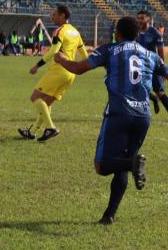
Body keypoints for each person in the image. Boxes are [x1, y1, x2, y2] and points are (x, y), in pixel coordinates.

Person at [54, 16, 161, 224]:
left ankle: (133, 163)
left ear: (117, 33)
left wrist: (60, 59)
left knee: (102, 166)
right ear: (138, 35)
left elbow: (78, 68)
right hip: (143, 117)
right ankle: (109, 215)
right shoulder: (150, 55)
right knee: (121, 164)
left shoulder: (109, 49)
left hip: (119, 114)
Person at [18, 5, 87, 142]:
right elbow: (85, 55)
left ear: (62, 16)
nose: (52, 17)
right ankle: (32, 132)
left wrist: (37, 66)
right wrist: (79, 68)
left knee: (35, 97)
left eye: (54, 14)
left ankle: (50, 127)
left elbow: (54, 51)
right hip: (70, 73)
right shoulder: (75, 32)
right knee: (47, 103)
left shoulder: (59, 31)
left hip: (58, 70)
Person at [136, 10, 168, 113]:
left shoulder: (155, 33)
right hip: (139, 65)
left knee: (159, 91)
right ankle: (153, 99)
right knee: (135, 86)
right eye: (138, 18)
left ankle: (156, 98)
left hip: (153, 65)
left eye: (142, 18)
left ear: (148, 19)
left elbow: (161, 53)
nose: (139, 20)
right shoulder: (135, 32)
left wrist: (162, 70)